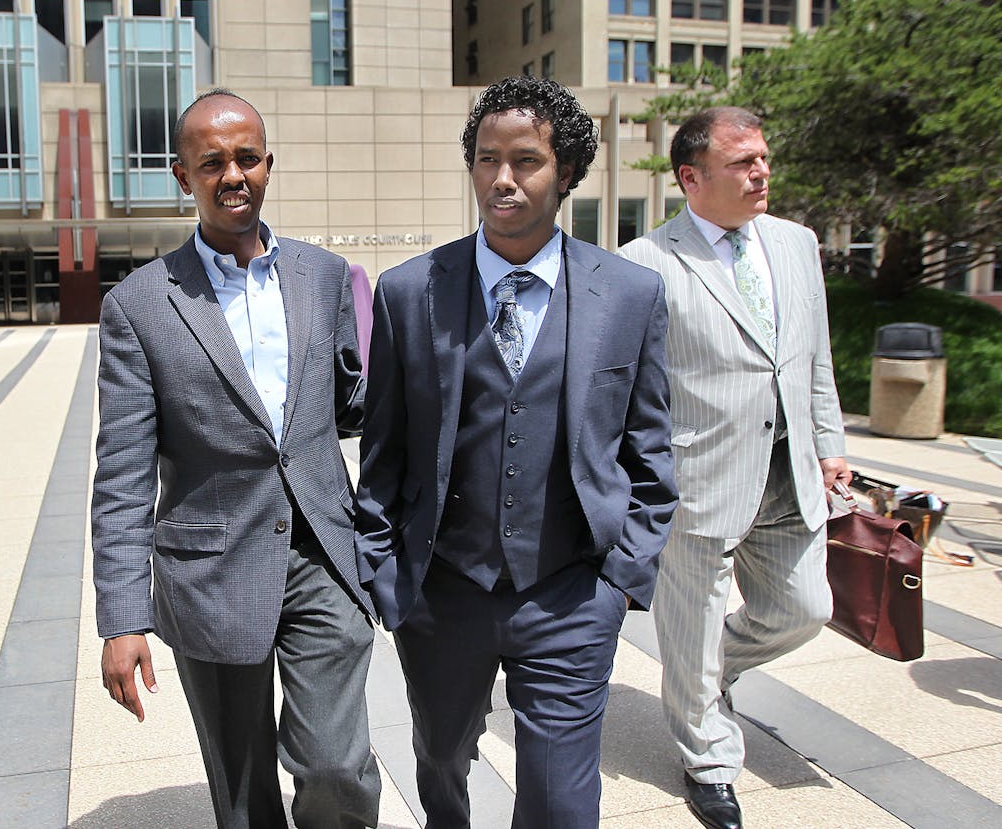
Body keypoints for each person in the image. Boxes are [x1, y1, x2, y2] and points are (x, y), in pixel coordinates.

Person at [355, 76, 677, 828]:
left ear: (566, 172)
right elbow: (384, 453)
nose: (502, 178)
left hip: (571, 591)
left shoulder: (630, 294)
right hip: (441, 591)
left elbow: (650, 450)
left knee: (563, 804)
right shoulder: (409, 291)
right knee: (439, 757)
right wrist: (383, 572)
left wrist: (621, 577)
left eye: (526, 160)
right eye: (486, 158)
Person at [91, 89, 380, 829]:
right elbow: (122, 477)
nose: (233, 174)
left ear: (268, 164)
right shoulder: (140, 305)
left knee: (336, 768)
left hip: (321, 555)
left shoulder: (323, 276)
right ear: (181, 175)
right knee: (245, 797)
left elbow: (353, 409)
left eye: (247, 157)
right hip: (209, 572)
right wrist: (123, 618)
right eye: (211, 161)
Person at [620, 107, 850, 829]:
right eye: (743, 162)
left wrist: (830, 438)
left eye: (764, 158)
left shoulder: (796, 243)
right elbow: (633, 389)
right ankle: (709, 762)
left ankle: (705, 677)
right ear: (691, 177)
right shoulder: (646, 263)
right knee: (689, 630)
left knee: (805, 609)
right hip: (701, 480)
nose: (762, 173)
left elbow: (814, 356)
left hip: (790, 476)